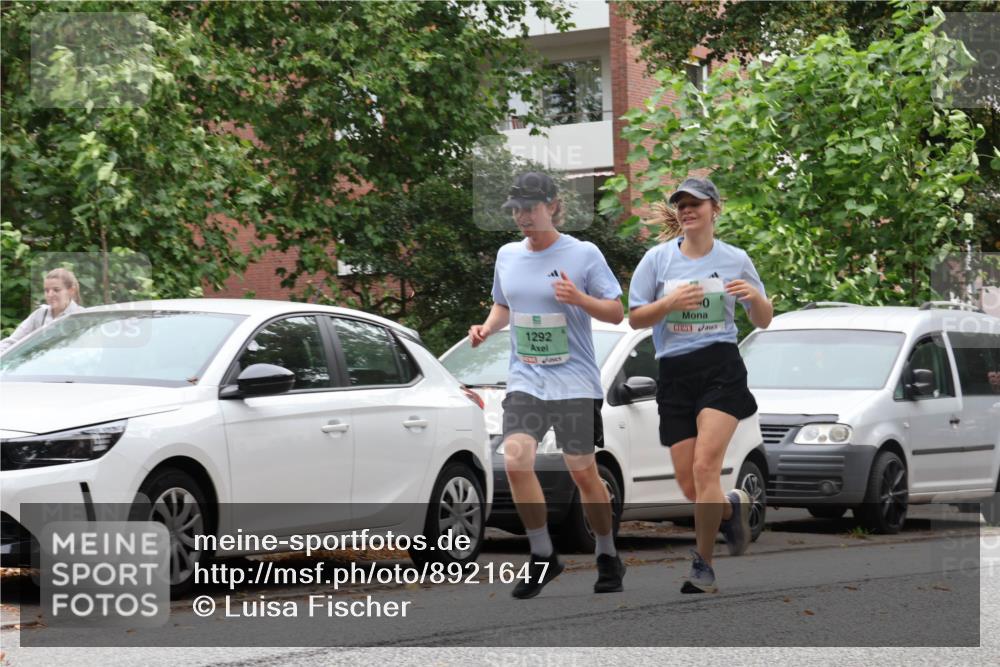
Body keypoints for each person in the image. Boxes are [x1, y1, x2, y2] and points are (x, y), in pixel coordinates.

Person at [470, 171, 626, 599]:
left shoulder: (584, 254)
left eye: (531, 208)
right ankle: (543, 555)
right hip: (526, 377)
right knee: (518, 460)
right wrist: (486, 328)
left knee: (583, 472)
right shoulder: (507, 255)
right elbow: (504, 304)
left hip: (574, 379)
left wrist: (580, 299)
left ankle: (608, 553)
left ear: (554, 205)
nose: (523, 217)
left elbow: (614, 312)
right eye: (516, 209)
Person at [628, 178, 772, 593]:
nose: (688, 210)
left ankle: (703, 566)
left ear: (715, 209)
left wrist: (756, 299)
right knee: (691, 484)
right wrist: (669, 304)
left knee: (706, 467)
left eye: (696, 204)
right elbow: (636, 318)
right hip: (674, 372)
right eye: (682, 205)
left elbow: (762, 319)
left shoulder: (735, 259)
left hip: (720, 368)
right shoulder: (656, 261)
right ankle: (728, 510)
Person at [0, 268, 84, 353]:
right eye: (47, 290)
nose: (50, 294)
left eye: (56, 290)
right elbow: (12, 342)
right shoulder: (39, 315)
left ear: (71, 291)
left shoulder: (83, 316)